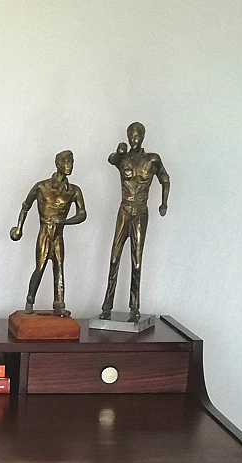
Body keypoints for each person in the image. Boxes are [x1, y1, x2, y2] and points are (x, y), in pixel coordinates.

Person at [100, 122, 170, 319]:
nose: (134, 138)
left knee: (136, 260)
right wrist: (118, 152)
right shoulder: (123, 158)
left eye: (137, 134)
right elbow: (111, 159)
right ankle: (107, 304)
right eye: (131, 134)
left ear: (143, 136)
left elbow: (165, 178)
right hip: (124, 209)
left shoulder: (152, 159)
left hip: (140, 210)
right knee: (114, 256)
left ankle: (134, 306)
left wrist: (164, 203)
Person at [10, 150, 87, 316]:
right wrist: (19, 228)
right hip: (44, 233)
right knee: (40, 267)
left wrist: (65, 221)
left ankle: (59, 304)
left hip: (59, 234)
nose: (70, 165)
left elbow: (82, 214)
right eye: (67, 161)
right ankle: (30, 300)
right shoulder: (41, 187)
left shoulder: (74, 191)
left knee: (59, 268)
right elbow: (26, 206)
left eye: (72, 161)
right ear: (58, 164)